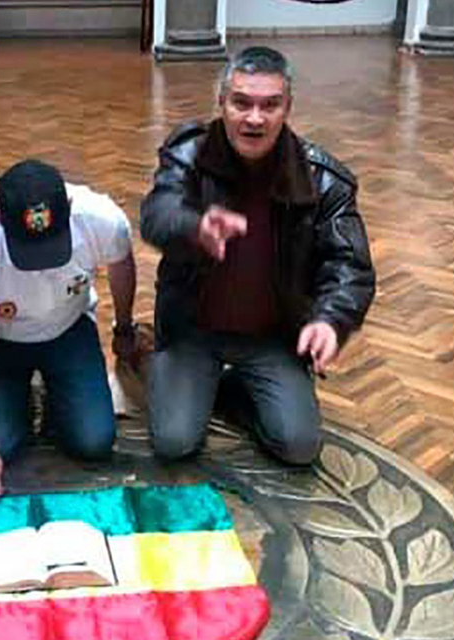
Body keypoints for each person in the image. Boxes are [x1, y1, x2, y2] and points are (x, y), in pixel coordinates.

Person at [140, 46, 375, 465]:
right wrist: (192, 227)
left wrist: (330, 319)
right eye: (242, 103)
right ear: (222, 104)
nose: (254, 118)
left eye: (270, 105)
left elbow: (349, 265)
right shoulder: (188, 155)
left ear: (288, 108)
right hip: (193, 330)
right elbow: (157, 215)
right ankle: (157, 362)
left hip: (272, 336)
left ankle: (234, 391)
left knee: (299, 447)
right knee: (174, 442)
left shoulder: (323, 178)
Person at [0, 160, 139, 498]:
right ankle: (22, 396)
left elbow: (122, 268)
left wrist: (123, 328)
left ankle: (53, 394)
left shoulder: (102, 217)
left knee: (93, 441)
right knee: (1, 446)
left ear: (71, 208)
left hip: (70, 329)